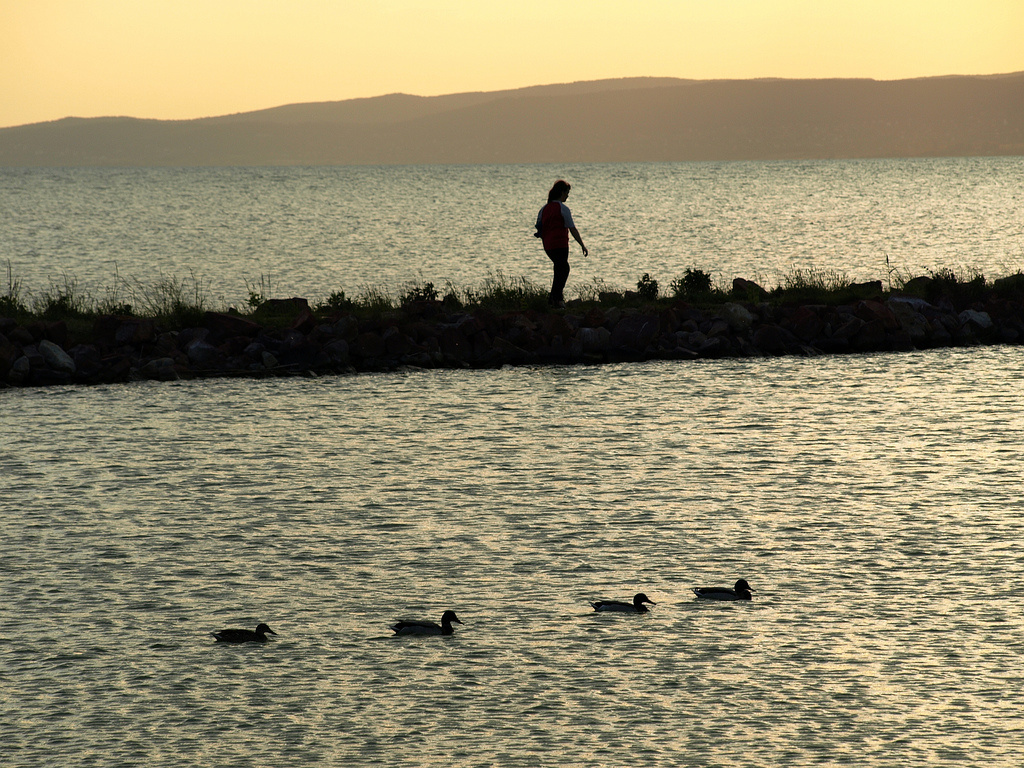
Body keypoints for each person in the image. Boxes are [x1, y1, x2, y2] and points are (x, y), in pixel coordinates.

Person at [535, 179, 588, 307]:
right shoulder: (563, 209)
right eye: (567, 193)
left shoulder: (544, 209)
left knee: (560, 269)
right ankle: (556, 299)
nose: (568, 196)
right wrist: (582, 245)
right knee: (563, 268)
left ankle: (555, 299)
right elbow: (572, 228)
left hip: (548, 246)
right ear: (562, 193)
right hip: (560, 244)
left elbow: (539, 227)